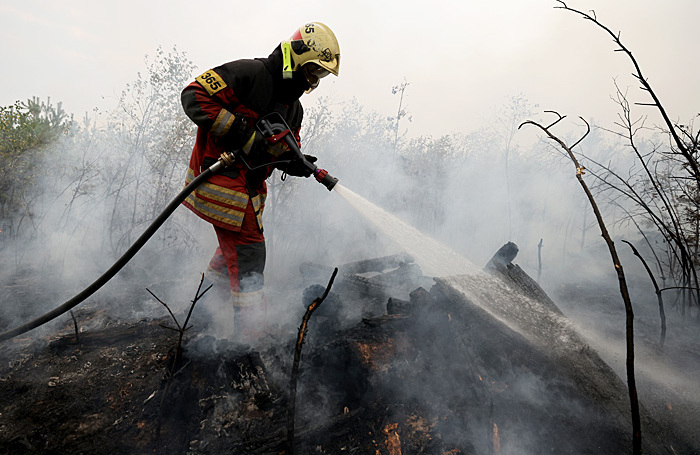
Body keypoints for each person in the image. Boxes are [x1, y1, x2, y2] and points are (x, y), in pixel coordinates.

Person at [180, 22, 340, 341]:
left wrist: (296, 163)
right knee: (250, 255)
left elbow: (279, 150)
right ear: (296, 57)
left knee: (231, 257)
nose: (314, 80)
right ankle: (249, 340)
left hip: (247, 193)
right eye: (312, 70)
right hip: (220, 181)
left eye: (320, 75)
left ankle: (200, 318)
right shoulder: (250, 74)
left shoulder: (293, 110)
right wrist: (243, 133)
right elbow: (194, 96)